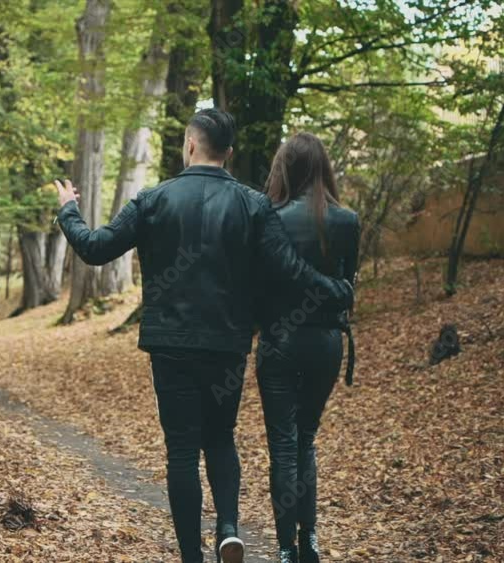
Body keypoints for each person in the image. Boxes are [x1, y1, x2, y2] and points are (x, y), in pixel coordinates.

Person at [54, 108, 354, 563]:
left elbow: (95, 248)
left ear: (190, 145)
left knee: (181, 450)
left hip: (170, 345)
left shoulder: (153, 199)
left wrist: (68, 211)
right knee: (220, 437)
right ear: (229, 153)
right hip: (227, 344)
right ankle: (228, 529)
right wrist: (334, 291)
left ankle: (192, 555)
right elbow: (288, 268)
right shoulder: (254, 204)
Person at [254, 133, 360, 563]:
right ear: (323, 167)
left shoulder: (269, 218)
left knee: (283, 445)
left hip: (279, 342)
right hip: (326, 343)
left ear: (284, 167)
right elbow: (348, 285)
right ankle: (310, 540)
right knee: (306, 440)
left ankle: (284, 548)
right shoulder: (347, 220)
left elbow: (258, 286)